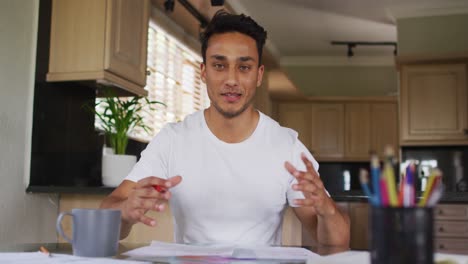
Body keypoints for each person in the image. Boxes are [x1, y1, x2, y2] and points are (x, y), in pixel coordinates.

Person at [100, 10, 350, 247]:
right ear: (203, 72)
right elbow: (108, 221)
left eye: (244, 67)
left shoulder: (286, 145)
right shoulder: (172, 139)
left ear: (259, 75)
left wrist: (327, 209)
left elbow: (335, 241)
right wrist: (124, 212)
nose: (231, 80)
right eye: (219, 65)